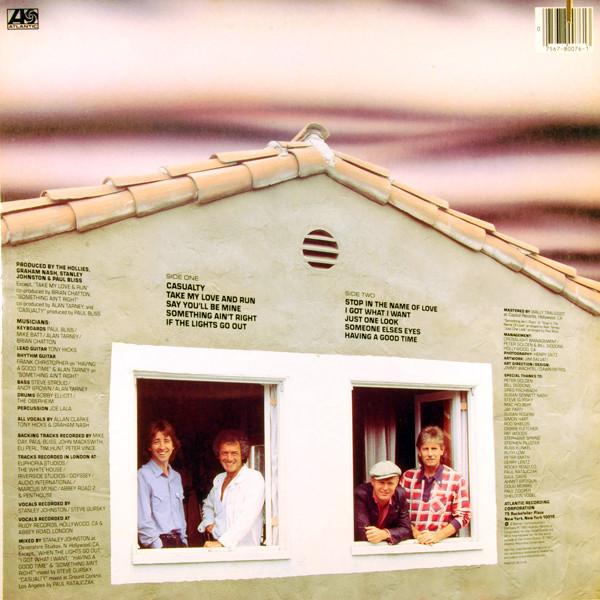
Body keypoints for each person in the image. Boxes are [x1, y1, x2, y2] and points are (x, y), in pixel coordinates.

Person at [401, 425, 470, 545]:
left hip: (440, 545)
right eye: (425, 449)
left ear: (442, 450)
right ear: (419, 451)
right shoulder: (408, 477)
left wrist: (437, 536)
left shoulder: (456, 479)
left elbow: (463, 516)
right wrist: (416, 534)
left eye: (434, 449)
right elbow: (397, 513)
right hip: (410, 543)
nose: (430, 454)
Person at [198, 430, 265, 548]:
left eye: (234, 453)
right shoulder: (219, 480)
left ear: (242, 454)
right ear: (219, 455)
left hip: (245, 552)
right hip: (220, 549)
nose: (229, 458)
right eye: (224, 453)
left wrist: (223, 542)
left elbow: (247, 517)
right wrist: (209, 523)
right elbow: (207, 505)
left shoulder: (253, 478)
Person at [137, 420, 188, 548]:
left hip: (179, 544)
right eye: (156, 442)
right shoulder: (143, 475)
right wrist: (157, 546)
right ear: (149, 446)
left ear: (173, 445)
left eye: (166, 441)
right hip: (159, 545)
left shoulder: (176, 477)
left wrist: (184, 541)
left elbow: (180, 515)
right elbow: (143, 519)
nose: (162, 447)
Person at [354, 460, 412, 544]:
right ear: (372, 482)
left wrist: (385, 534)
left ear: (397, 482)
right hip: (364, 547)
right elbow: (362, 532)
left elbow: (407, 530)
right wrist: (389, 534)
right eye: (381, 483)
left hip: (388, 547)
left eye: (390, 483)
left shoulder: (400, 494)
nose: (385, 488)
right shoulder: (361, 494)